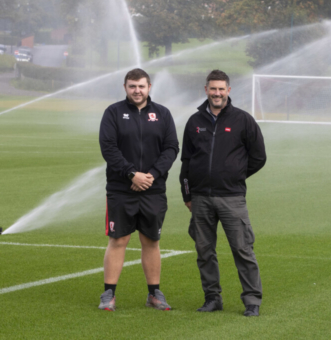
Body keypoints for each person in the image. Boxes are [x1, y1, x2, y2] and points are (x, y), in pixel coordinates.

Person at [180, 70, 267, 317]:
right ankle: (212, 298)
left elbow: (259, 157)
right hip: (200, 198)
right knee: (204, 251)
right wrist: (187, 195)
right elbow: (186, 162)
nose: (217, 93)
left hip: (232, 198)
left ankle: (252, 301)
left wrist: (235, 175)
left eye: (221, 89)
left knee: (242, 249)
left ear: (228, 90)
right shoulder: (194, 122)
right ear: (206, 90)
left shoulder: (243, 120)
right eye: (213, 88)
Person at [98, 68, 179, 311]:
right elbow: (108, 147)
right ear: (125, 87)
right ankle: (108, 295)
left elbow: (172, 148)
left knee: (151, 240)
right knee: (118, 239)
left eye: (141, 86)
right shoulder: (113, 112)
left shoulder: (163, 114)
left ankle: (154, 294)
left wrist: (151, 175)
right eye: (132, 86)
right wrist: (132, 174)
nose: (137, 90)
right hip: (121, 189)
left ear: (149, 87)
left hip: (153, 189)